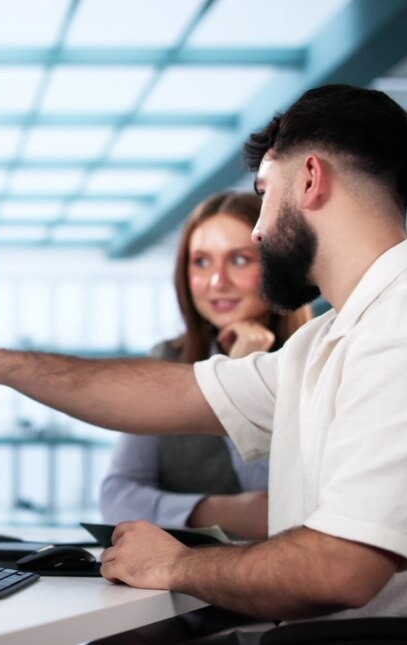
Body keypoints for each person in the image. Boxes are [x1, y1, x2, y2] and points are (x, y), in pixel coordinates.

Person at [0, 84, 407, 634]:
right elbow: (173, 394)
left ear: (309, 178)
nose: (257, 227)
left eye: (263, 191)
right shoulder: (340, 337)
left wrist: (174, 564)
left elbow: (339, 570)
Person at [101, 192, 311, 540]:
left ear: (280, 263)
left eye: (240, 260)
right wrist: (216, 511)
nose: (217, 282)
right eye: (201, 262)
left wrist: (243, 372)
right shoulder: (167, 362)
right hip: (179, 582)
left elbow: (286, 514)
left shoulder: (315, 365)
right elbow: (117, 496)